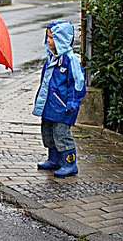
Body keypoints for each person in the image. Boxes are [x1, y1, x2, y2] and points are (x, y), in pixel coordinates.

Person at [32, 21, 86, 178]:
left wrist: (73, 102)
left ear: (62, 39)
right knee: (48, 132)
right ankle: (54, 159)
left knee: (61, 134)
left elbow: (78, 83)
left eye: (52, 38)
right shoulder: (51, 58)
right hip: (49, 105)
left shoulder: (70, 60)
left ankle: (70, 163)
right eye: (48, 37)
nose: (48, 41)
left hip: (63, 106)